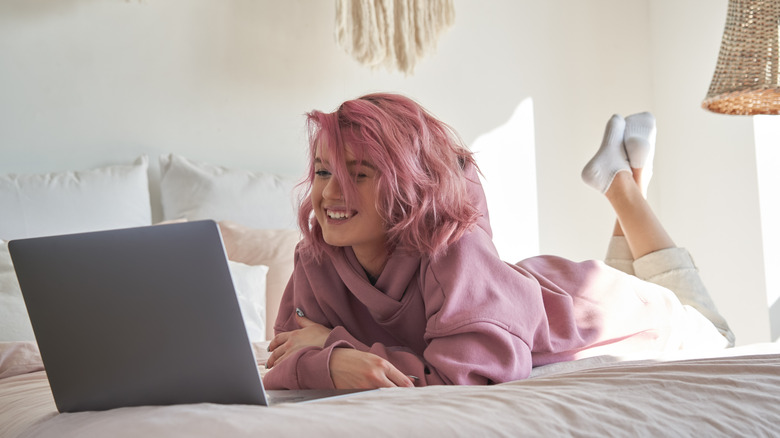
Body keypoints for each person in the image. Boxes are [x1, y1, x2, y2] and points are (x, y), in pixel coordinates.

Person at [262, 93, 733, 390]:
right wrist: (333, 359)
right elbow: (283, 356)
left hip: (600, 312)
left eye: (358, 174)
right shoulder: (316, 254)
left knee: (717, 332)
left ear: (408, 186)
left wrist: (338, 349)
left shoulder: (452, 246)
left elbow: (462, 377)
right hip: (513, 294)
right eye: (323, 171)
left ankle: (624, 187)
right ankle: (627, 177)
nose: (329, 194)